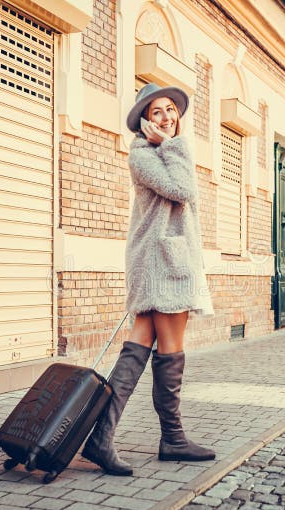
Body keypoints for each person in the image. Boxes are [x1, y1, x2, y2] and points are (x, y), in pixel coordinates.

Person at [80, 83, 215, 476]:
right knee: (170, 350)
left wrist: (172, 147)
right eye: (157, 112)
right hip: (162, 262)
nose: (167, 117)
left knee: (137, 348)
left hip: (162, 258)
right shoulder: (143, 155)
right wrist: (173, 146)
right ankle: (171, 439)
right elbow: (183, 189)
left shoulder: (163, 153)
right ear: (144, 121)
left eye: (171, 110)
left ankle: (102, 438)